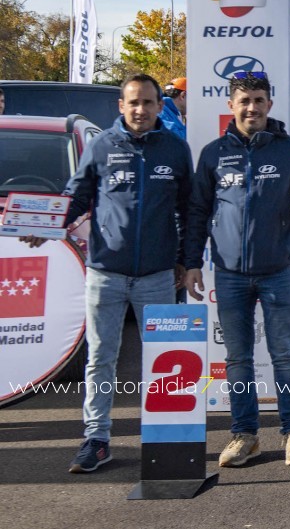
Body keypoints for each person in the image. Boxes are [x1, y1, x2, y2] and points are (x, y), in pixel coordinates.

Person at [21, 74, 192, 474]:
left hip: (157, 276)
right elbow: (76, 195)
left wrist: (186, 258)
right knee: (100, 358)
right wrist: (46, 226)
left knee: (163, 360)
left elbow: (189, 209)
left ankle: (163, 438)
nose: (141, 110)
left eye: (148, 103)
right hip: (105, 274)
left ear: (157, 105)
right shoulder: (100, 145)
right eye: (133, 102)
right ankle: (96, 440)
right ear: (121, 106)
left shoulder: (175, 148)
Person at [183, 71, 290, 468]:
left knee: (285, 355)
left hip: (277, 270)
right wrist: (190, 263)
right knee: (237, 358)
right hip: (229, 275)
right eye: (244, 101)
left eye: (258, 100)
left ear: (270, 104)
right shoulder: (212, 153)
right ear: (231, 106)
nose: (251, 107)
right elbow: (198, 211)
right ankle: (245, 435)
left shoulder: (289, 150)